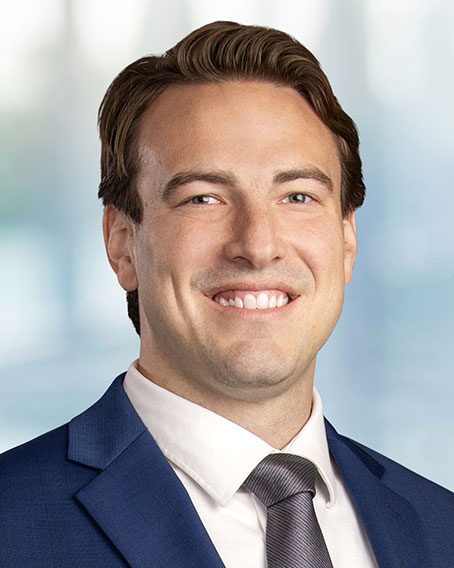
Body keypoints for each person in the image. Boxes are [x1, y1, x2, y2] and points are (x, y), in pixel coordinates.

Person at [1, 20, 453, 568]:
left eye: (297, 196)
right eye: (204, 198)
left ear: (347, 241)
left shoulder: (441, 525)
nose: (258, 246)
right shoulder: (11, 522)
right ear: (122, 244)